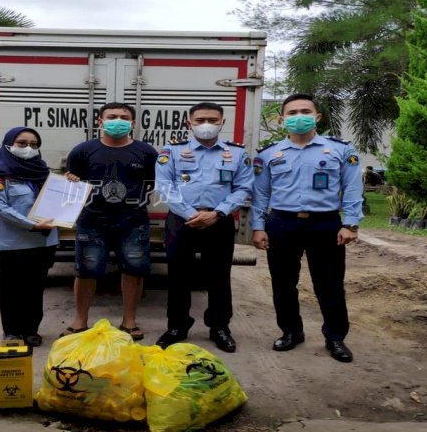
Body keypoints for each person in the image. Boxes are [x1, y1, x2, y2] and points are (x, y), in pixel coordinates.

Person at [251, 93, 363, 363]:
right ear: (281, 119)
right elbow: (260, 194)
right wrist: (258, 227)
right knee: (283, 283)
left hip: (324, 223)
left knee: (329, 284)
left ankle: (335, 337)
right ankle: (291, 332)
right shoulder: (269, 155)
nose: (298, 117)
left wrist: (350, 223)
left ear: (317, 117)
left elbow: (352, 188)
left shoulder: (341, 150)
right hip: (281, 223)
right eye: (291, 113)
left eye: (304, 111)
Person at [154, 102, 253, 353]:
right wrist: (190, 214)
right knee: (178, 276)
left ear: (222, 123)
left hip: (219, 221)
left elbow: (243, 187)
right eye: (199, 120)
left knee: (219, 277)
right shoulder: (172, 152)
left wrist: (217, 213)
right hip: (181, 220)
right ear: (189, 123)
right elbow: (164, 187)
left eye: (212, 119)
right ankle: (177, 326)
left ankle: (220, 327)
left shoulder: (237, 154)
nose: (206, 124)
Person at [61, 102, 158, 340]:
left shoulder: (147, 153)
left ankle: (129, 321)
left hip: (133, 221)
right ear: (100, 122)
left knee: (134, 270)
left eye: (124, 117)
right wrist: (69, 179)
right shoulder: (82, 151)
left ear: (133, 123)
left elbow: (153, 184)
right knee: (86, 270)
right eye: (112, 116)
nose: (118, 121)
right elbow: (72, 180)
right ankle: (80, 320)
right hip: (93, 220)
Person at [0, 127, 57, 347]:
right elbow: (0, 208)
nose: (28, 148)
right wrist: (33, 225)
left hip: (43, 242)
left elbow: (60, 200)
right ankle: (12, 331)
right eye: (22, 143)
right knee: (11, 290)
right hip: (11, 245)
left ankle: (31, 329)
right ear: (8, 145)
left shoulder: (44, 174)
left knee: (35, 289)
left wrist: (72, 185)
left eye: (34, 144)